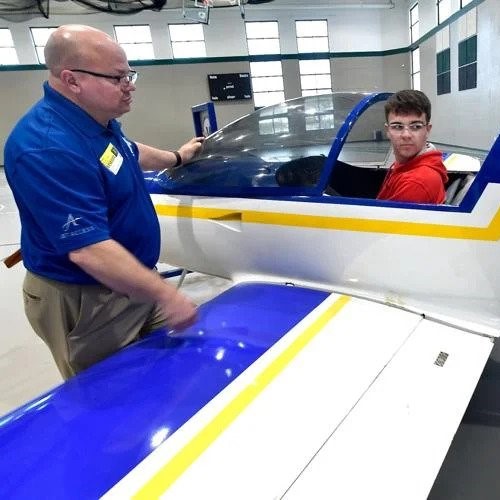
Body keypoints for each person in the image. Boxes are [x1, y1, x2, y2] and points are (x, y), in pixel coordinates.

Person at [4, 25, 205, 379]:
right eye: (118, 78)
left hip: (133, 283)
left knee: (167, 371)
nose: (130, 85)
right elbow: (89, 250)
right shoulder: (47, 147)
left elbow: (124, 152)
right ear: (72, 80)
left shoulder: (96, 121)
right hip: (86, 300)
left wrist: (176, 157)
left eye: (129, 74)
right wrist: (168, 295)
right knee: (110, 398)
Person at [377, 89, 448, 204]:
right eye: (398, 126)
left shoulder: (417, 182)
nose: (406, 135)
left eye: (416, 127)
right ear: (388, 130)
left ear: (427, 130)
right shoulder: (404, 164)